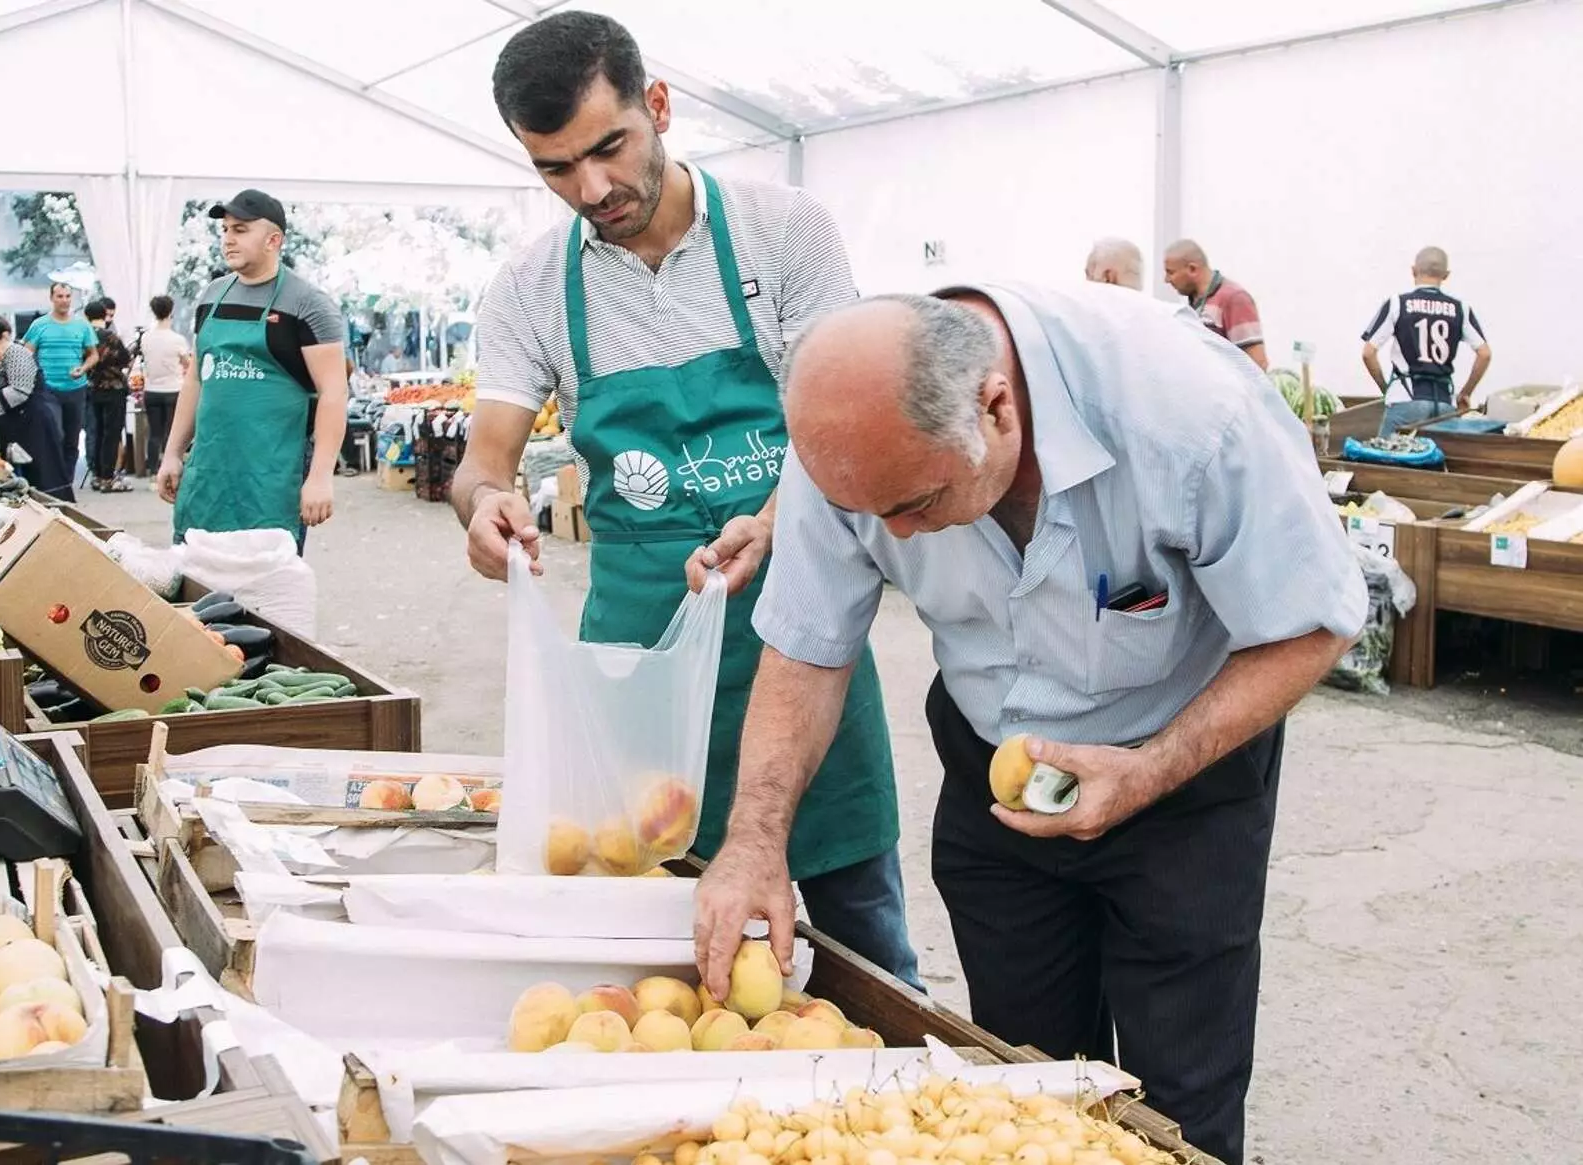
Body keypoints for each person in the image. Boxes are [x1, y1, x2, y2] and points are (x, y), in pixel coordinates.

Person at [696, 286, 1366, 1165]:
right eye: (873, 514)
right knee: (1021, 1087)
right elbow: (807, 648)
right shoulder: (852, 451)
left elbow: (1313, 622)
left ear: (998, 407)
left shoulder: (1191, 417)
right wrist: (753, 841)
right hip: (994, 776)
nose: (895, 534)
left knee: (1181, 1102)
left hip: (1183, 774)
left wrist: (1149, 770)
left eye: (917, 502)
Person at [453, 12, 917, 987]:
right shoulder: (533, 289)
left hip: (800, 645)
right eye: (553, 169)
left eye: (607, 149)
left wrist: (780, 513)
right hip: (638, 666)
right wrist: (485, 503)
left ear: (656, 106)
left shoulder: (780, 233)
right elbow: (481, 460)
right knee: (657, 968)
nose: (591, 190)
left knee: (861, 957)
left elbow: (844, 426)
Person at [155, 189, 347, 551]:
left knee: (265, 583)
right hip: (210, 465)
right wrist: (172, 453)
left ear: (274, 239)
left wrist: (321, 476)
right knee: (199, 578)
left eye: (240, 230)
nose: (228, 239)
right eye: (225, 229)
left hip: (273, 471)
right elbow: (197, 378)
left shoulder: (308, 304)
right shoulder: (213, 295)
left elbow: (334, 393)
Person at [1362, 246, 1493, 435]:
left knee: (1388, 459)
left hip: (1405, 398)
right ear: (1446, 275)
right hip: (1444, 404)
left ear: (1413, 271)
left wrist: (1386, 388)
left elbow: (1368, 353)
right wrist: (1465, 392)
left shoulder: (1397, 304)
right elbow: (1485, 353)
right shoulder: (1460, 308)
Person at [0, 317, 73, 501]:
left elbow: (19, 392)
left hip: (34, 425)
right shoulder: (0, 360)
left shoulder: (16, 354)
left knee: (44, 476)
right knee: (26, 480)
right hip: (19, 426)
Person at [24, 283, 98, 487]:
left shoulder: (82, 326)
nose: (64, 300)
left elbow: (93, 354)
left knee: (72, 439)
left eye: (67, 296)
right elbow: (26, 353)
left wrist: (83, 369)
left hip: (76, 388)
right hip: (48, 389)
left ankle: (65, 483)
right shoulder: (39, 325)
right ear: (51, 298)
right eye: (59, 296)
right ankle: (52, 480)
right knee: (54, 434)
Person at [1163, 239, 1267, 369]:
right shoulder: (1195, 301)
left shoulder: (1234, 299)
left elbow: (1257, 362)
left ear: (1192, 269)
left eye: (1170, 272)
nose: (1166, 280)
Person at [82, 298, 134, 492]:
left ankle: (96, 474)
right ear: (105, 315)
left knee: (97, 432)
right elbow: (125, 358)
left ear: (86, 317)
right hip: (114, 389)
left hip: (94, 388)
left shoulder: (84, 337)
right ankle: (108, 476)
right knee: (112, 434)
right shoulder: (110, 337)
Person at [139, 293, 193, 474]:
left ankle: (153, 471)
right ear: (171, 311)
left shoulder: (146, 337)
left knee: (154, 433)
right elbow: (188, 364)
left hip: (152, 390)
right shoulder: (177, 339)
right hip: (173, 389)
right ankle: (171, 468)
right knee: (171, 432)